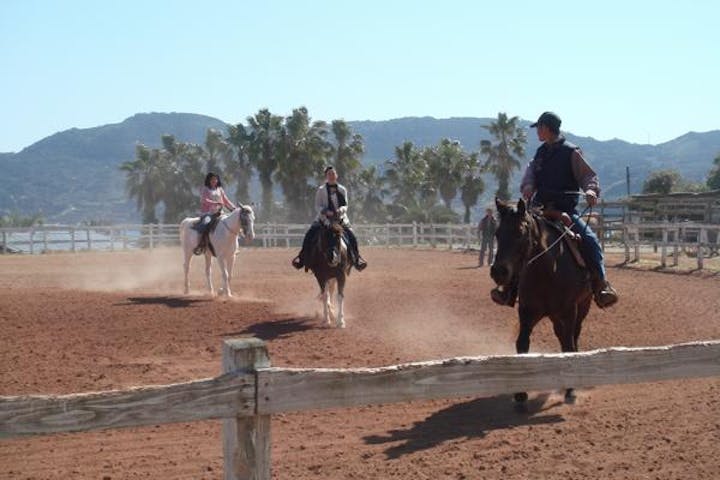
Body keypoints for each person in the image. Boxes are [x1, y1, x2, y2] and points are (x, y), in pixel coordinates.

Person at [493, 111, 618, 309]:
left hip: (565, 209)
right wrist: (527, 186)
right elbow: (530, 174)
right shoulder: (540, 153)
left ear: (547, 128)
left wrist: (591, 190)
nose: (537, 132)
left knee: (590, 241)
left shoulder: (571, 152)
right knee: (518, 242)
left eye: (539, 128)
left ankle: (601, 286)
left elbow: (587, 176)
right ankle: (509, 289)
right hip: (539, 210)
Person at [292, 165, 368, 271]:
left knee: (352, 236)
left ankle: (357, 259)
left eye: (333, 174)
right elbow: (317, 206)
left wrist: (340, 210)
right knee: (309, 235)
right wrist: (325, 212)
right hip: (323, 219)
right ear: (326, 177)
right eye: (329, 174)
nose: (331, 176)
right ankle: (302, 258)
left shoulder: (342, 189)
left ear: (336, 175)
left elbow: (345, 205)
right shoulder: (321, 190)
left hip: (340, 219)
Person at [192, 172, 235, 254]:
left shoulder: (220, 189)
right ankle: (201, 244)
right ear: (208, 180)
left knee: (230, 224)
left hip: (220, 213)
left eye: (216, 179)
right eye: (212, 179)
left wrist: (234, 208)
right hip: (208, 213)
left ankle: (231, 247)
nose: (214, 181)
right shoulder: (205, 189)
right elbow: (204, 200)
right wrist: (215, 203)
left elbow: (226, 201)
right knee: (205, 225)